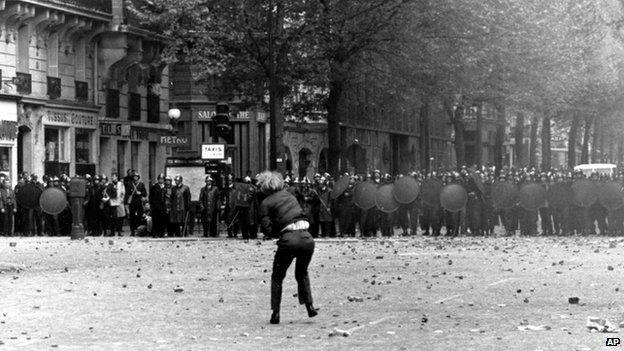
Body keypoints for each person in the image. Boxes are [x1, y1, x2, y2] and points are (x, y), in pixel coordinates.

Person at [257, 171, 318, 325]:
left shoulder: (265, 203)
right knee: (302, 272)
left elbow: (267, 229)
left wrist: (275, 232)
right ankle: (309, 306)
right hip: (307, 238)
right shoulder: (290, 196)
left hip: (288, 239)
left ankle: (276, 313)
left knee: (278, 276)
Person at [125, 171, 147, 236]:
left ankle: (139, 231)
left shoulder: (141, 184)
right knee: (132, 217)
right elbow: (127, 193)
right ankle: (132, 231)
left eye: (136, 177)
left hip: (139, 202)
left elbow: (145, 193)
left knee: (139, 217)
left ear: (138, 177)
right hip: (132, 202)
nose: (135, 178)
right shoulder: (130, 184)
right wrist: (126, 202)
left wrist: (140, 193)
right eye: (134, 177)